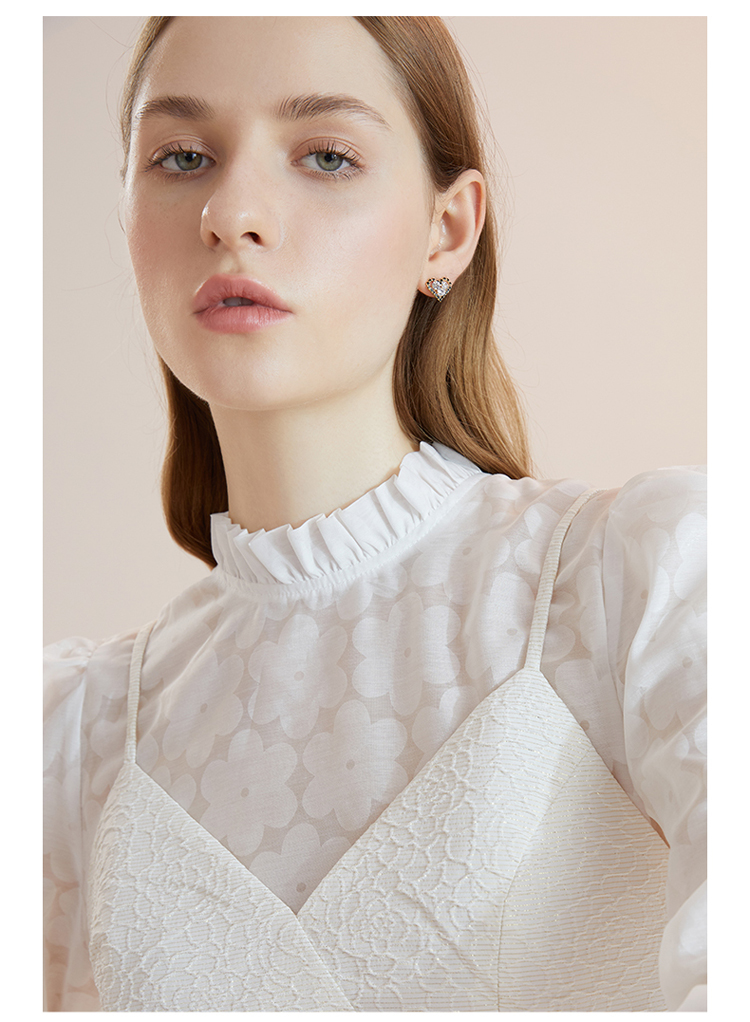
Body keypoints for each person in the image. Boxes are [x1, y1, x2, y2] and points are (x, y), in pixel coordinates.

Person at [43, 15, 706, 1012]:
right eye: (182, 156)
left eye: (326, 156)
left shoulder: (635, 588)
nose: (231, 213)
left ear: (449, 230)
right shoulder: (76, 739)